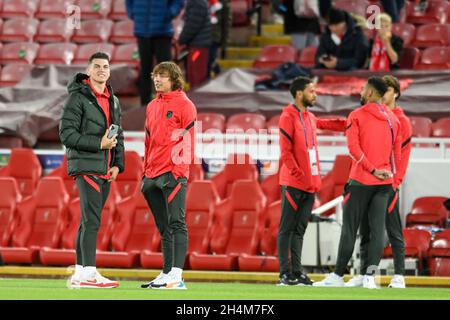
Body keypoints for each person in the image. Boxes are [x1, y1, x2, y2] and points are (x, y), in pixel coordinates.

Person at [313, 77, 401, 289]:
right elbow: (395, 154)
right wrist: (389, 174)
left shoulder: (357, 115)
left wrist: (371, 169)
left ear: (370, 93)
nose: (361, 92)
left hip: (361, 181)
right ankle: (369, 276)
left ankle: (336, 276)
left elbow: (353, 149)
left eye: (363, 89)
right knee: (377, 230)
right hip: (385, 182)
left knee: (350, 229)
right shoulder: (394, 119)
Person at [59, 52, 125, 289]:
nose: (101, 70)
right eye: (97, 66)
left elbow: (119, 134)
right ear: (88, 71)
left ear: (109, 71)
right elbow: (66, 135)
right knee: (92, 221)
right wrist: (99, 144)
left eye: (105, 67)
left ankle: (79, 272)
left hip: (105, 168)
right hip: (86, 165)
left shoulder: (113, 100)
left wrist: (118, 163)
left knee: (88, 221)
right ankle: (89, 273)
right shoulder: (76, 99)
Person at [277, 76, 346, 286]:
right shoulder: (288, 116)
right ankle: (284, 273)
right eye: (312, 91)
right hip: (293, 183)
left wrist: (352, 123)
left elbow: (330, 124)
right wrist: (298, 175)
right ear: (299, 93)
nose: (315, 95)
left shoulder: (309, 117)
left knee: (300, 230)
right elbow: (285, 152)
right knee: (286, 228)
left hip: (310, 184)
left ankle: (297, 272)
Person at [346, 75, 412, 289]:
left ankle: (399, 274)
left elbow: (403, 154)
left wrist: (396, 181)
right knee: (367, 230)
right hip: (370, 181)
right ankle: (366, 272)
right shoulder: (372, 116)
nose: (384, 94)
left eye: (389, 90)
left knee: (393, 229)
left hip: (388, 183)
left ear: (397, 94)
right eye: (383, 90)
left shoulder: (401, 120)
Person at [140, 62, 197, 290]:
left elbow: (189, 140)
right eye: (155, 76)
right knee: (164, 227)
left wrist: (179, 171)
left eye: (162, 76)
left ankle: (177, 275)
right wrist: (145, 171)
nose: (157, 80)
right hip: (151, 174)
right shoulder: (152, 105)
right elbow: (148, 139)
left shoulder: (185, 105)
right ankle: (166, 273)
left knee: (177, 223)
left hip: (173, 173)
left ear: (173, 78)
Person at [125, 0, 184, 106]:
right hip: (142, 31)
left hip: (163, 32)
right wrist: (132, 13)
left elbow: (178, 2)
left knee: (165, 70)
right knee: (145, 69)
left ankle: (167, 103)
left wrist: (170, 13)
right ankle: (145, 105)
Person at [179, 0, 212, 88]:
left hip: (198, 47)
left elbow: (192, 25)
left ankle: (197, 100)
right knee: (194, 75)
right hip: (197, 45)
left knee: (196, 76)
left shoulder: (197, 2)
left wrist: (181, 39)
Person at [208, 0, 232, 77]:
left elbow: (225, 25)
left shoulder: (224, 3)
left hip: (214, 37)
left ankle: (218, 75)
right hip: (201, 36)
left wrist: (224, 46)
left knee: (210, 61)